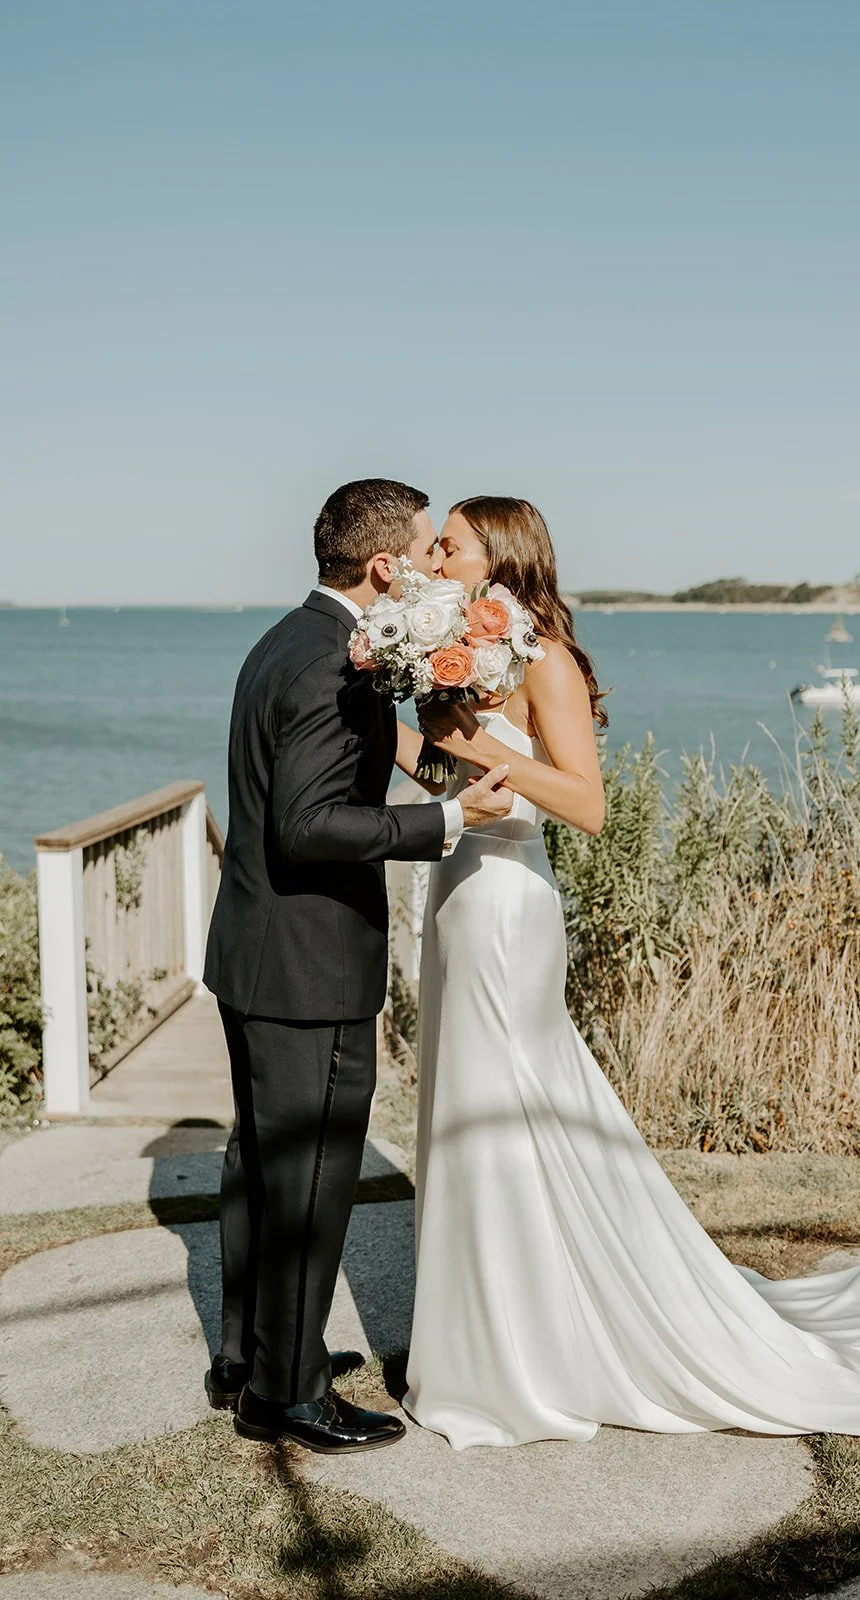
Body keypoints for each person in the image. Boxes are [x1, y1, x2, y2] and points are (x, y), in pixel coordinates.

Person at [405, 494, 860, 1462]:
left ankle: (525, 1347)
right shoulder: (450, 654)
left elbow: (582, 803)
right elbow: (451, 782)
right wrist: (407, 738)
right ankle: (496, 1326)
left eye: (448, 545)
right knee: (472, 1106)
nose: (431, 556)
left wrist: (468, 745)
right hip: (459, 884)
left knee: (514, 1103)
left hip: (510, 901)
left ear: (495, 560)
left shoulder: (542, 656)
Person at [202, 478, 511, 1454]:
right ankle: (288, 1396)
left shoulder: (289, 641)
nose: (432, 565)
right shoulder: (328, 665)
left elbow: (331, 776)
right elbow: (307, 824)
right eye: (424, 552)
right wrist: (450, 820)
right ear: (383, 567)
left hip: (257, 949)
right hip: (308, 962)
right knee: (311, 1177)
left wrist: (438, 749)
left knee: (261, 1168)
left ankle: (252, 1359)